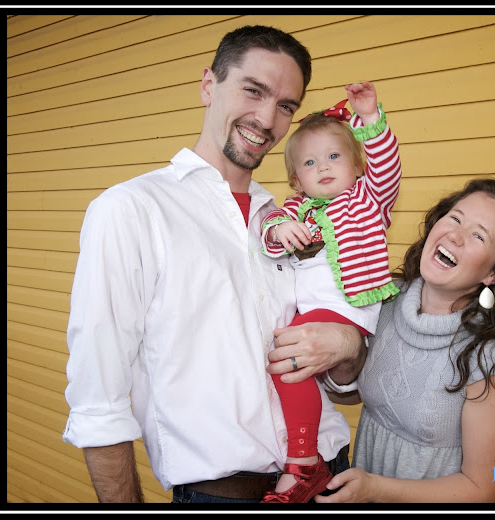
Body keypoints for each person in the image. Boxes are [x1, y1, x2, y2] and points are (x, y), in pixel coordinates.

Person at [62, 25, 366, 504]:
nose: (266, 119)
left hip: (332, 476)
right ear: (208, 85)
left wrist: (348, 344)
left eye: (286, 105)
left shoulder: (293, 220)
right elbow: (97, 402)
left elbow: (343, 387)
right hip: (224, 496)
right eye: (253, 91)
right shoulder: (131, 210)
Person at [313, 178, 495, 503]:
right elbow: (357, 394)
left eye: (478, 235)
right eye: (455, 218)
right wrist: (344, 355)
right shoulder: (386, 300)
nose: (455, 235)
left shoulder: (493, 357)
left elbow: (484, 488)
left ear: (494, 273)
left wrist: (375, 489)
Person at [258, 82, 402, 503]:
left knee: (286, 359)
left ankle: (303, 461)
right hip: (315, 312)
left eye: (334, 157)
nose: (323, 167)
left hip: (347, 306)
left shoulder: (367, 199)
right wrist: (279, 230)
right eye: (309, 162)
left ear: (357, 165)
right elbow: (269, 233)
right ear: (296, 179)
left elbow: (386, 169)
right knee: (291, 368)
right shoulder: (296, 209)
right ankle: (305, 457)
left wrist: (370, 119)